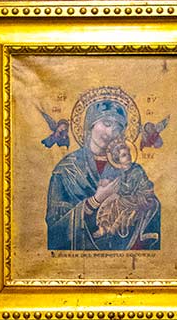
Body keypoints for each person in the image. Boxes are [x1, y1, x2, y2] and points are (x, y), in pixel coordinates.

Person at [46, 96, 145, 251]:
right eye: (106, 123)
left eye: (118, 127)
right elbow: (54, 232)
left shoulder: (130, 169)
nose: (111, 131)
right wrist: (95, 201)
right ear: (90, 125)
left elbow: (151, 207)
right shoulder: (65, 170)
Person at [93, 135, 160, 249]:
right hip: (125, 198)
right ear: (117, 159)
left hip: (140, 197)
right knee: (110, 202)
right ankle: (104, 226)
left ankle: (111, 227)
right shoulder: (118, 172)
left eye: (128, 153)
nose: (128, 156)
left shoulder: (137, 169)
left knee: (118, 201)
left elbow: (141, 186)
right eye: (123, 155)